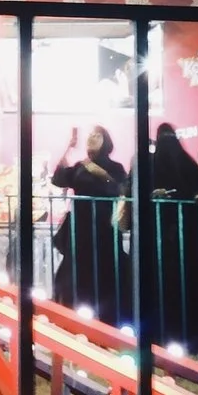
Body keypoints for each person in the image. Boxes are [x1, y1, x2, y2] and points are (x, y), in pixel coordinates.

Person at [51, 125, 128, 325]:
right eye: (91, 135)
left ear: (106, 141)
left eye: (98, 135)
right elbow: (58, 179)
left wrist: (101, 177)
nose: (92, 137)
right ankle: (71, 320)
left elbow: (118, 189)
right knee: (75, 273)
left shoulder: (116, 168)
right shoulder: (80, 166)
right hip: (81, 228)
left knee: (104, 273)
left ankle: (105, 324)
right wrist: (68, 147)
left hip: (104, 228)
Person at [148, 123, 198, 350]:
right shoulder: (151, 166)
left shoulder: (187, 165)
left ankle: (187, 337)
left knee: (185, 286)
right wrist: (153, 195)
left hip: (185, 238)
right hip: (160, 237)